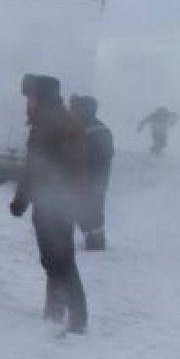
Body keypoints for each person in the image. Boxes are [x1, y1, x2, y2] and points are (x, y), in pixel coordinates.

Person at [10, 74, 88, 334]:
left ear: (40, 98)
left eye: (31, 97)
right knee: (55, 258)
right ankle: (56, 310)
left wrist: (21, 200)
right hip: (57, 200)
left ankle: (77, 319)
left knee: (60, 259)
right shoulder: (57, 120)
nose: (28, 103)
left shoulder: (50, 124)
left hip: (55, 202)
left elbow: (36, 167)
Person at [70, 95, 113, 251]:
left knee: (87, 209)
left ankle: (96, 242)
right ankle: (94, 239)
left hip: (87, 179)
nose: (71, 111)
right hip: (97, 179)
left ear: (83, 110)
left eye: (74, 108)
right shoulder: (101, 128)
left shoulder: (86, 129)